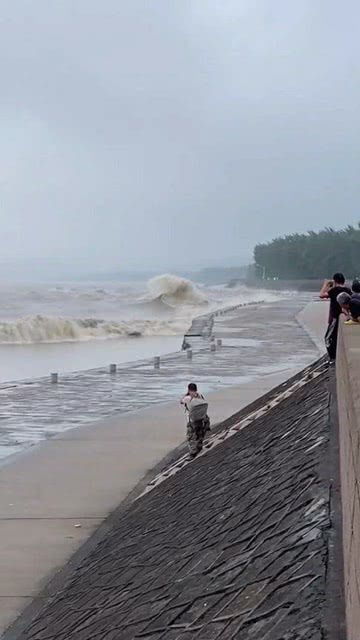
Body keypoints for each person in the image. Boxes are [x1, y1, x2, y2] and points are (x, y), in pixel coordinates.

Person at [319, 273, 351, 361]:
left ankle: (332, 357)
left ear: (335, 281)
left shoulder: (333, 290)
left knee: (328, 338)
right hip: (342, 316)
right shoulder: (348, 290)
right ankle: (336, 355)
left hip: (334, 318)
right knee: (336, 337)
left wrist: (325, 284)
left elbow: (321, 295)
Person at [181, 383, 210, 459]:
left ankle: (193, 453)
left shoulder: (187, 398)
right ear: (196, 389)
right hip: (202, 419)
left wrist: (186, 395)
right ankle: (199, 448)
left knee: (190, 437)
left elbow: (181, 401)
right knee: (199, 434)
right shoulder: (200, 395)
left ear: (189, 389)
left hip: (192, 420)